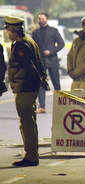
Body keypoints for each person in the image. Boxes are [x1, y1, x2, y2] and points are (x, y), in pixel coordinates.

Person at [5, 16, 47, 167]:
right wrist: (42, 79)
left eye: (8, 29)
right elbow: (38, 62)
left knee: (27, 123)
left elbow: (28, 67)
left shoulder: (21, 45)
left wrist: (23, 82)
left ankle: (31, 156)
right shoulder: (29, 41)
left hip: (25, 87)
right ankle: (31, 154)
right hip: (30, 87)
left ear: (14, 30)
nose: (7, 32)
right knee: (29, 122)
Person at [32, 12, 65, 113]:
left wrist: (51, 51)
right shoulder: (35, 32)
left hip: (52, 60)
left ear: (47, 19)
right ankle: (42, 107)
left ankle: (61, 106)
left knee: (56, 84)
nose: (40, 20)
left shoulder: (53, 31)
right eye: (39, 19)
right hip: (40, 62)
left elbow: (61, 43)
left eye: (42, 18)